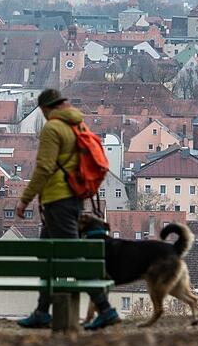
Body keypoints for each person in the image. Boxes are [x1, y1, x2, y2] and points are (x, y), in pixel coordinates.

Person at [14, 88, 120, 331]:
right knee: (47, 255)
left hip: (58, 201)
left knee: (72, 258)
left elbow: (44, 167)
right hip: (73, 198)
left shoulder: (53, 128)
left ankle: (105, 309)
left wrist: (24, 200)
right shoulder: (78, 125)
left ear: (46, 108)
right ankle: (42, 311)